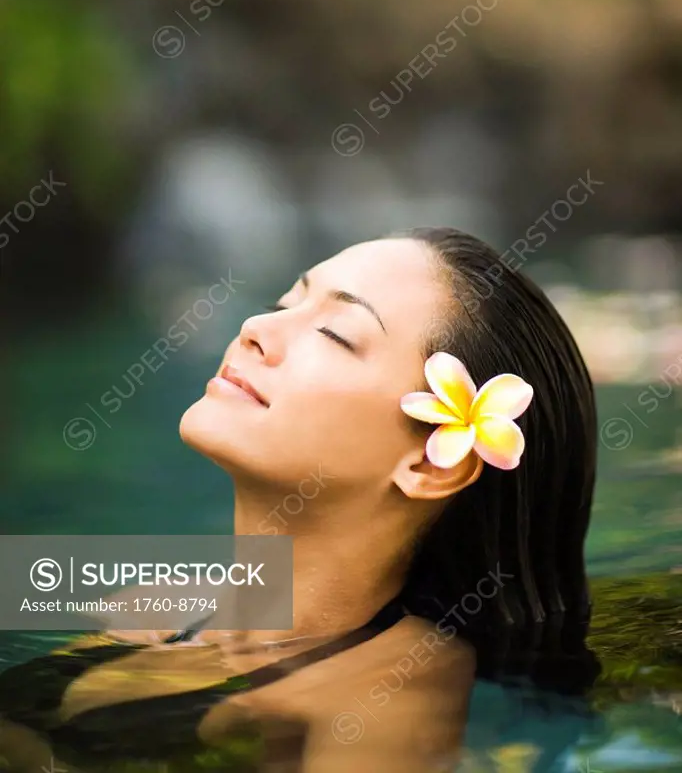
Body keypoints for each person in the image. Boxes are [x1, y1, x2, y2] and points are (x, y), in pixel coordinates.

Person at [0, 227, 599, 772]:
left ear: (428, 464)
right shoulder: (168, 596)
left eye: (336, 334)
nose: (256, 328)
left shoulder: (389, 691)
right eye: (287, 302)